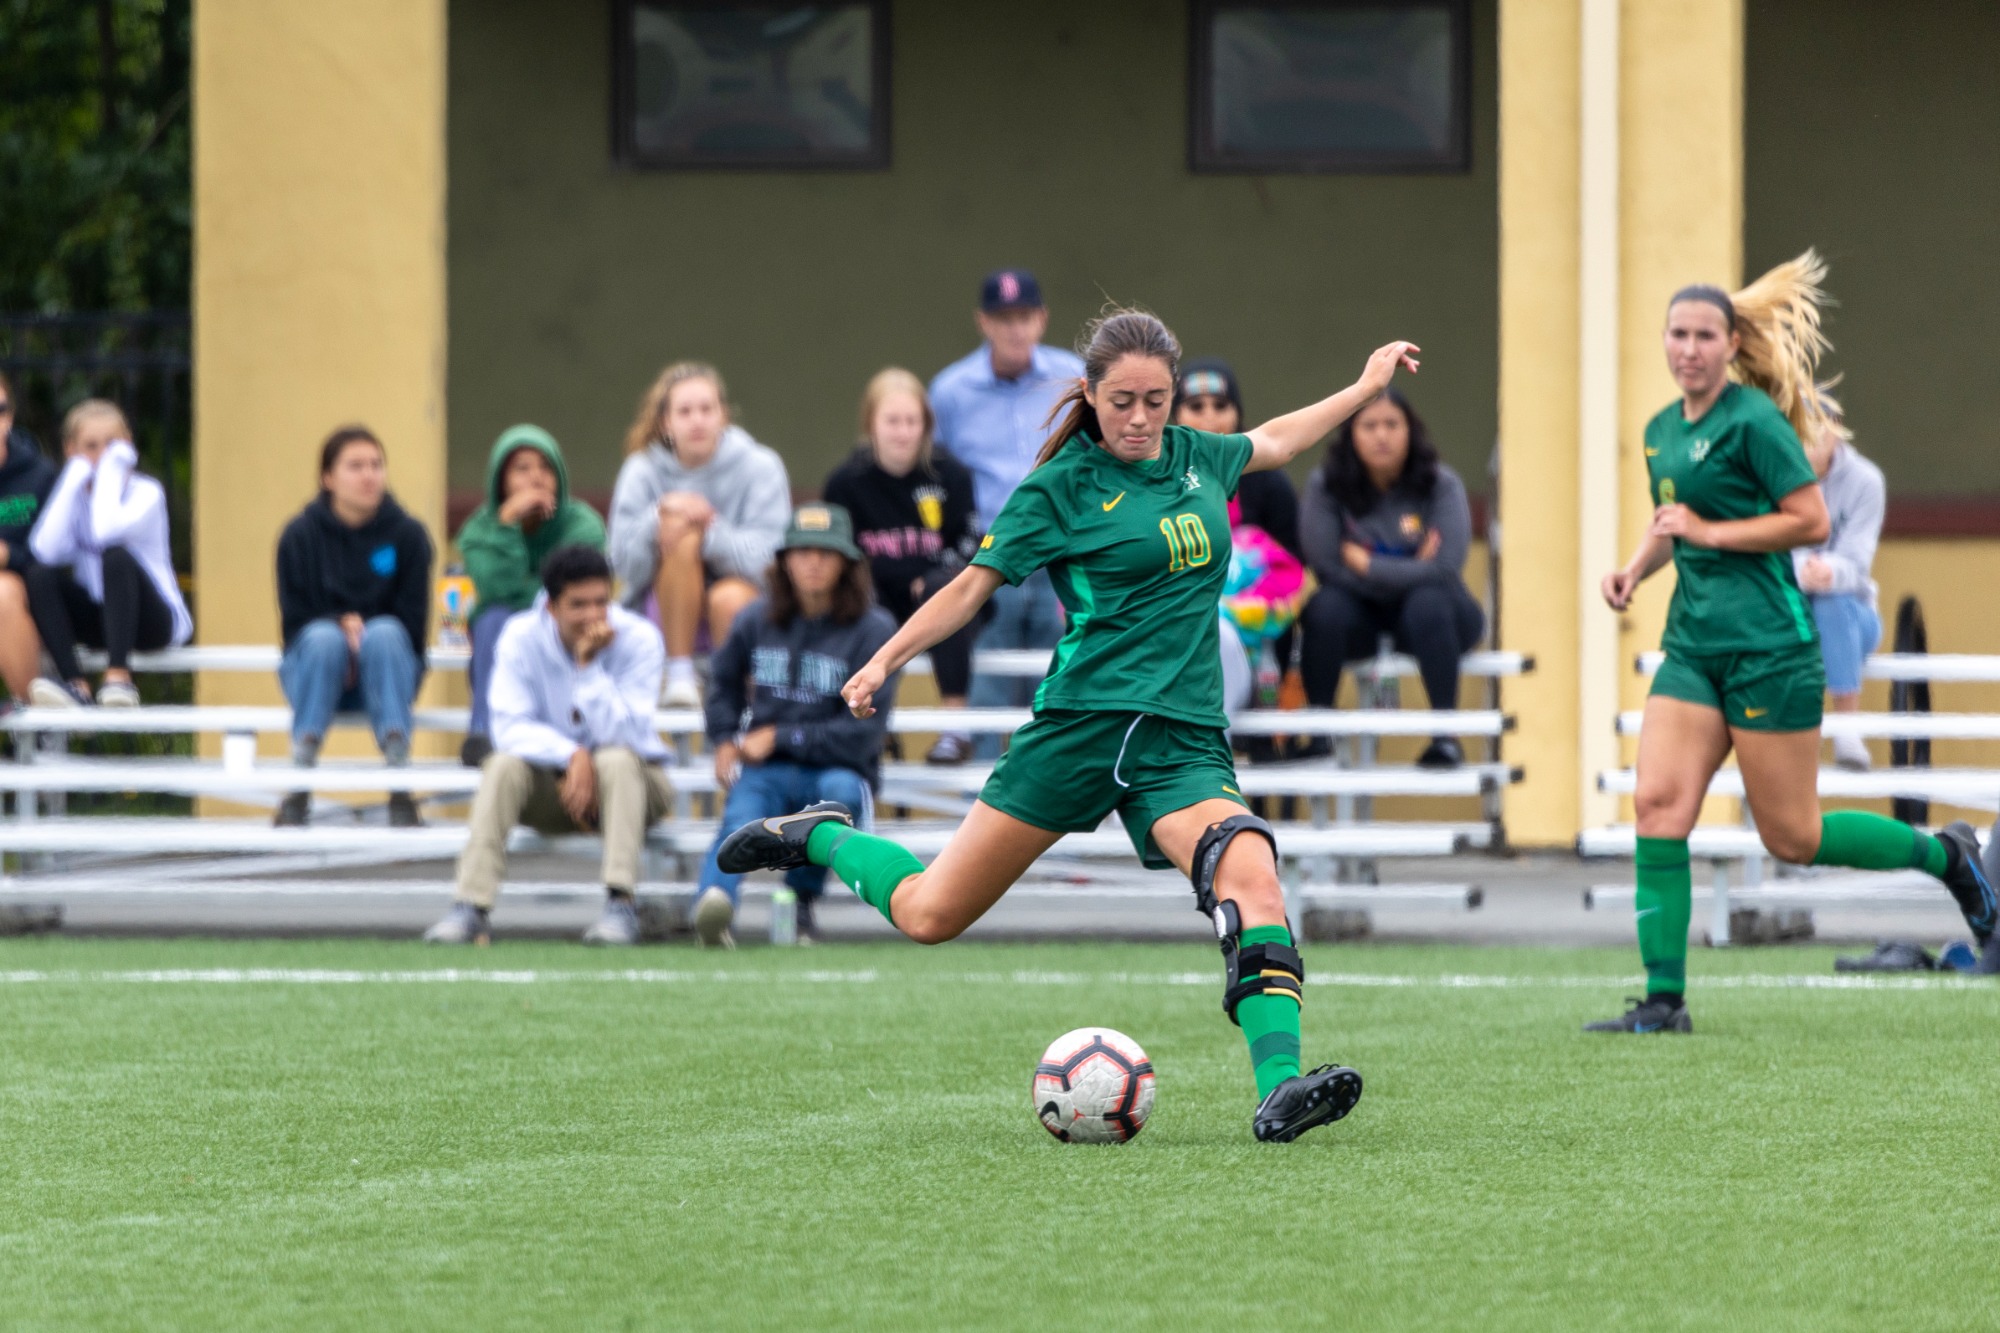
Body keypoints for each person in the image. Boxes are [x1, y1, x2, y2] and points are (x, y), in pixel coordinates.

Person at [720, 310, 1424, 1142]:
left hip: (1181, 741)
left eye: (1156, 400)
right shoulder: (1060, 489)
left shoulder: (1200, 457)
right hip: (1078, 732)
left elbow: (1274, 439)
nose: (1139, 417)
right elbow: (969, 588)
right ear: (1090, 394)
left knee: (1250, 869)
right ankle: (823, 837)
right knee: (930, 915)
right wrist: (886, 659)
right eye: (1121, 399)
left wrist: (1363, 387)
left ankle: (1280, 1087)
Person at [1594, 250, 2000, 1031]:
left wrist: (1709, 530)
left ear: (1731, 343)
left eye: (1704, 335)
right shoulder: (1658, 434)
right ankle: (1663, 999)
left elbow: (1810, 520)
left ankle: (1947, 856)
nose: (1688, 349)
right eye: (1676, 334)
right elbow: (1676, 524)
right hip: (1694, 647)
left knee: (1793, 834)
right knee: (1656, 805)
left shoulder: (1755, 422)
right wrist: (1635, 570)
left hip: (1770, 647)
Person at [425, 545, 673, 948]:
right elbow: (508, 727)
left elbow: (626, 733)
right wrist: (571, 754)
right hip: (551, 790)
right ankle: (470, 907)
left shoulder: (639, 639)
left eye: (600, 602)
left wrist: (588, 667)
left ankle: (621, 905)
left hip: (637, 787)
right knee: (502, 765)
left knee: (615, 759)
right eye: (578, 605)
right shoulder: (520, 636)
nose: (593, 616)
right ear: (551, 606)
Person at [694, 504, 898, 946]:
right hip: (768, 767)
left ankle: (802, 905)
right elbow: (722, 682)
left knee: (836, 801)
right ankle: (714, 907)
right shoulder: (756, 618)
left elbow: (864, 735)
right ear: (784, 559)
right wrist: (724, 739)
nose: (813, 561)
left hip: (839, 766)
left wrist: (783, 736)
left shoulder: (874, 629)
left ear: (846, 563)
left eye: (825, 552)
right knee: (742, 810)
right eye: (802, 550)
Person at [929, 270, 1084, 754]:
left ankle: (1055, 780)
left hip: (1063, 544)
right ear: (982, 323)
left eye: (1024, 317)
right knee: (989, 669)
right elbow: (938, 477)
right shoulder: (950, 391)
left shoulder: (1072, 374)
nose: (1015, 329)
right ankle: (981, 792)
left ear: (1042, 319)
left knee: (1058, 668)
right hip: (992, 550)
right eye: (1003, 319)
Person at [1298, 389, 1485, 768]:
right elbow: (1326, 566)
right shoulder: (1327, 485)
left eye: (1391, 424)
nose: (1381, 435)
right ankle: (1318, 736)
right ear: (1351, 433)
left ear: (1409, 431)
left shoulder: (1440, 484)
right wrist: (1414, 567)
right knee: (1323, 607)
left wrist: (1367, 564)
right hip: (1359, 616)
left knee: (1428, 601)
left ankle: (1445, 738)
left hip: (1435, 620)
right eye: (1369, 425)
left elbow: (1446, 567)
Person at [274, 426, 435, 828]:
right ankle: (300, 779)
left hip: (388, 675)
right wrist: (337, 624)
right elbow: (294, 625)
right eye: (355, 466)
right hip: (316, 671)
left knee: (385, 633)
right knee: (323, 639)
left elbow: (414, 629)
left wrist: (362, 631)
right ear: (328, 478)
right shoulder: (298, 537)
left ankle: (399, 781)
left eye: (376, 465)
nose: (369, 476)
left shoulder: (409, 537)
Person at [606, 362, 790, 709]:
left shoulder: (761, 466)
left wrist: (707, 531)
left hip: (740, 602)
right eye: (685, 411)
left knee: (725, 595)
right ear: (666, 422)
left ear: (723, 416)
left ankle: (733, 706)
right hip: (659, 607)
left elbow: (771, 560)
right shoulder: (640, 469)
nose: (697, 420)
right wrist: (658, 517)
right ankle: (679, 678)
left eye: (707, 409)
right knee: (678, 526)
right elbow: (623, 566)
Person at [823, 368, 981, 763]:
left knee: (940, 590)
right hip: (877, 597)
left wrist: (927, 576)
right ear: (870, 425)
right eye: (892, 421)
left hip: (942, 595)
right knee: (860, 604)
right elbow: (839, 555)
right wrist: (903, 574)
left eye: (912, 421)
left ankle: (954, 729)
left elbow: (970, 543)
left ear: (926, 426)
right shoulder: (846, 482)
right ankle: (863, 725)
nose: (903, 431)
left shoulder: (951, 475)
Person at [454, 423, 606, 767]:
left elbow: (573, 596)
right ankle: (484, 731)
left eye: (546, 467)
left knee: (513, 616)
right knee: (493, 618)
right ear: (501, 481)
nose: (536, 479)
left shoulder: (583, 525)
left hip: (569, 638)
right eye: (522, 469)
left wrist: (531, 593)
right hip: (507, 638)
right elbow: (497, 589)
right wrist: (506, 525)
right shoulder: (481, 530)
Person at [24, 399, 191, 708]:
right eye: (91, 447)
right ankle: (76, 686)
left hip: (153, 622)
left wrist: (111, 471)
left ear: (127, 447)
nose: (102, 457)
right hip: (104, 619)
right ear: (71, 451)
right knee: (38, 576)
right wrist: (71, 481)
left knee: (115, 558)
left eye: (112, 446)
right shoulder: (75, 497)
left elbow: (105, 530)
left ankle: (118, 676)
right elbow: (44, 551)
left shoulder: (147, 493)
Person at [1174, 360, 1308, 731]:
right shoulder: (1155, 479)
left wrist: (1232, 611)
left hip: (1257, 641)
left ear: (1238, 413)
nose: (1210, 419)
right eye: (1196, 407)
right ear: (1174, 415)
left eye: (1221, 406)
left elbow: (1292, 571)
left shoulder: (1269, 482)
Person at [1794, 403, 1884, 771]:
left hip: (1854, 617)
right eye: (1802, 426)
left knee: (1832, 603)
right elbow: (1773, 548)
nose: (1813, 437)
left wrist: (1827, 572)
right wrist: (1802, 570)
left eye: (1822, 426)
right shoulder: (1775, 478)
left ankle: (1847, 727)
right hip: (1795, 611)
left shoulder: (1866, 480)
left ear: (1838, 430)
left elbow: (1858, 558)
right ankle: (1788, 744)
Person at [0, 370, 56, 701]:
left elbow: (54, 558)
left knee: (3, 592)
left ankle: (37, 726)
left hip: (21, 595)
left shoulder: (38, 475)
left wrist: (8, 556)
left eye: (1, 409)